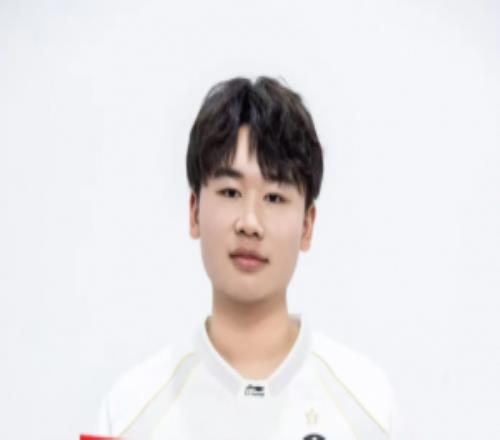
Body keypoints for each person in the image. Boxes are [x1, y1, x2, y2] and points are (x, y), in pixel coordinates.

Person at [95, 76, 397, 439]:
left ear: (307, 225)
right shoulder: (131, 412)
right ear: (194, 212)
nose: (250, 223)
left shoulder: (367, 407)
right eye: (230, 192)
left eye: (274, 197)